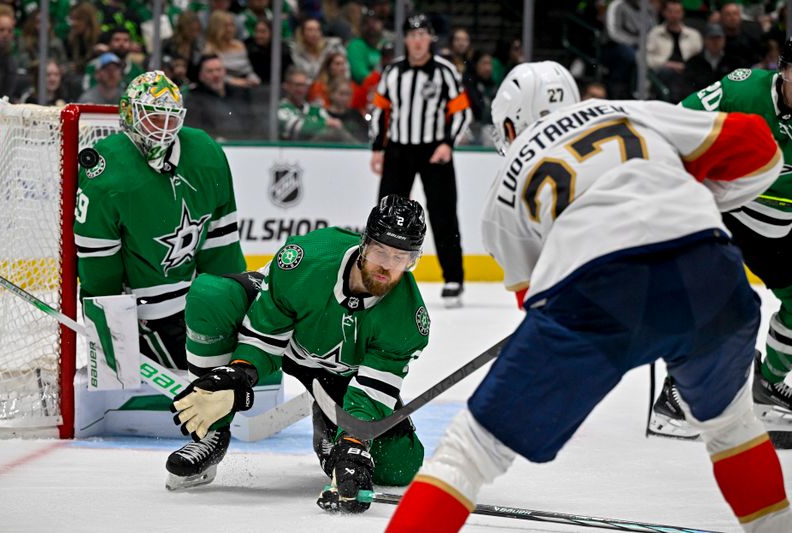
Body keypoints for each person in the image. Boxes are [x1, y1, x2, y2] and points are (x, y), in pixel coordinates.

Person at [386, 61, 792, 532]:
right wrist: (696, 199)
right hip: (709, 270)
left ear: (513, 123)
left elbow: (533, 303)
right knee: (732, 426)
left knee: (470, 452)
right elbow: (758, 146)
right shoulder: (625, 110)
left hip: (594, 296)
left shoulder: (502, 193)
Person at [165, 195, 430, 516]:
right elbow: (266, 332)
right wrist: (239, 373)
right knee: (212, 295)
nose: (387, 266)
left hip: (340, 375)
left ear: (413, 260)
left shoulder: (409, 318)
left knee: (401, 465)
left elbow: (374, 387)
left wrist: (355, 445)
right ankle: (211, 433)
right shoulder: (307, 258)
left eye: (400, 257)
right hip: (288, 338)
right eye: (380, 251)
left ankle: (329, 420)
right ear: (364, 244)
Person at [650, 39, 792, 447]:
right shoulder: (741, 90)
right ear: (783, 71)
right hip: (722, 206)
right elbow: (676, 125)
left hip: (778, 219)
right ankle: (678, 395)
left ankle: (768, 387)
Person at [73, 71, 246, 371]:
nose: (164, 130)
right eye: (154, 117)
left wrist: (232, 306)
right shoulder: (106, 174)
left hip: (195, 303)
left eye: (171, 118)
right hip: (143, 315)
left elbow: (222, 246)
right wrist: (111, 339)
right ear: (129, 113)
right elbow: (99, 270)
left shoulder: (207, 153)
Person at [370, 13, 472, 308]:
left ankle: (454, 277)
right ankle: (380, 273)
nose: (417, 40)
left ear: (430, 39)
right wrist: (378, 147)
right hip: (399, 150)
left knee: (443, 214)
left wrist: (447, 143)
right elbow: (379, 111)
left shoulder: (444, 71)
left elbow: (462, 112)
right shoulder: (392, 72)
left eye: (422, 35)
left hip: (434, 151)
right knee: (387, 213)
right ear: (405, 39)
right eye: (412, 35)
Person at [184, 54, 258, 140]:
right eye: (210, 71)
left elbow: (252, 122)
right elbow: (195, 130)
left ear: (225, 71)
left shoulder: (239, 93)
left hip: (246, 145)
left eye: (219, 70)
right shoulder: (194, 99)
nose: (216, 74)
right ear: (201, 76)